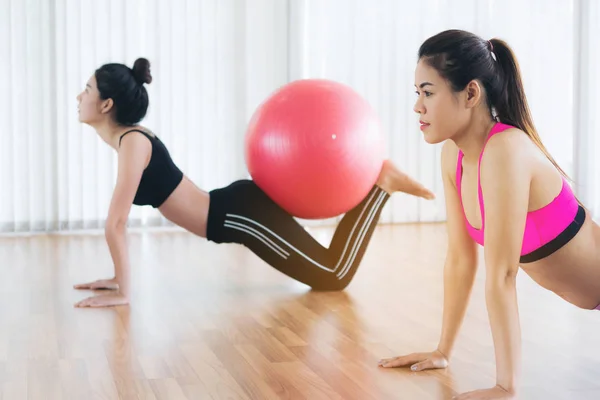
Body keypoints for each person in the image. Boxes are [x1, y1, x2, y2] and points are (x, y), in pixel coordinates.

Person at [73, 58, 435, 308]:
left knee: (333, 274)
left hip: (238, 217)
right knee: (328, 270)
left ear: (106, 105)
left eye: (86, 89)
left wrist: (124, 290)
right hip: (234, 209)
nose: (79, 96)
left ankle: (383, 184)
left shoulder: (133, 143)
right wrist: (118, 280)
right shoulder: (128, 140)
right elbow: (118, 224)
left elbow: (115, 223)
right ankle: (381, 186)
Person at [378, 29, 600, 400]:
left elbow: (503, 275)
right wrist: (442, 351)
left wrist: (505, 387)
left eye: (428, 93)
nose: (418, 106)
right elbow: (461, 261)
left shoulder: (506, 151)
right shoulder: (454, 158)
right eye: (417, 93)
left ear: (470, 93)